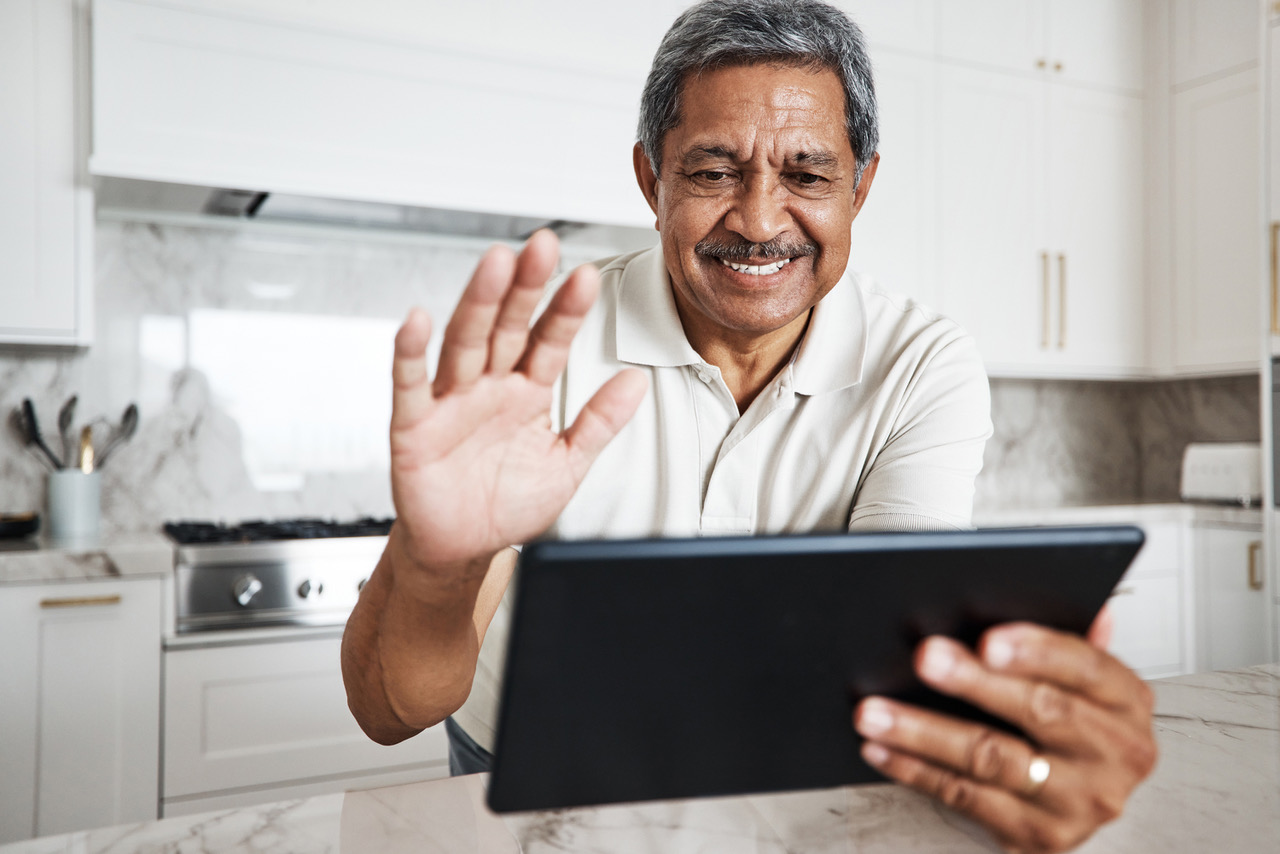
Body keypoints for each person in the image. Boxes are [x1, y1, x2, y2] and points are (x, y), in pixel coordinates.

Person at [341, 1, 1156, 850]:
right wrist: (440, 562)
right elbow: (387, 711)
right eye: (712, 171)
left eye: (807, 175)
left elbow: (903, 661)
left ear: (860, 186)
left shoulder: (922, 363)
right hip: (524, 769)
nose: (761, 220)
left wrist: (1019, 746)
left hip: (780, 767)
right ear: (651, 180)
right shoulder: (547, 349)